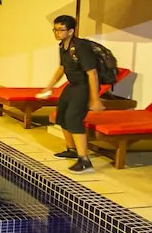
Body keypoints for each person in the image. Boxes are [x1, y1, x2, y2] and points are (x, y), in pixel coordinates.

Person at [40, 15, 104, 173]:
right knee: (61, 115)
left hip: (84, 87)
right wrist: (49, 86)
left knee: (73, 119)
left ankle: (84, 160)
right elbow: (62, 68)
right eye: (55, 29)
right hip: (72, 85)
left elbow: (92, 73)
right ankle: (71, 149)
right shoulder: (62, 46)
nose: (57, 33)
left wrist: (95, 99)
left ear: (71, 31)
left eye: (61, 30)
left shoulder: (81, 47)